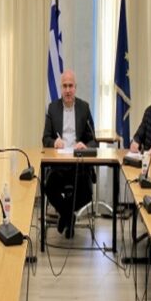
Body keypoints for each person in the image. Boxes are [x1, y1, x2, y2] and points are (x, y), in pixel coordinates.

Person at [42, 69, 97, 238]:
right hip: (59, 165)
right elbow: (45, 138)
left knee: (86, 193)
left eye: (70, 86)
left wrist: (85, 146)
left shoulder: (84, 108)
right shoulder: (53, 108)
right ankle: (69, 217)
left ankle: (65, 216)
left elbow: (93, 141)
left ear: (75, 88)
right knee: (48, 187)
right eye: (64, 86)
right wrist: (54, 143)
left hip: (79, 165)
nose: (67, 90)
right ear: (61, 88)